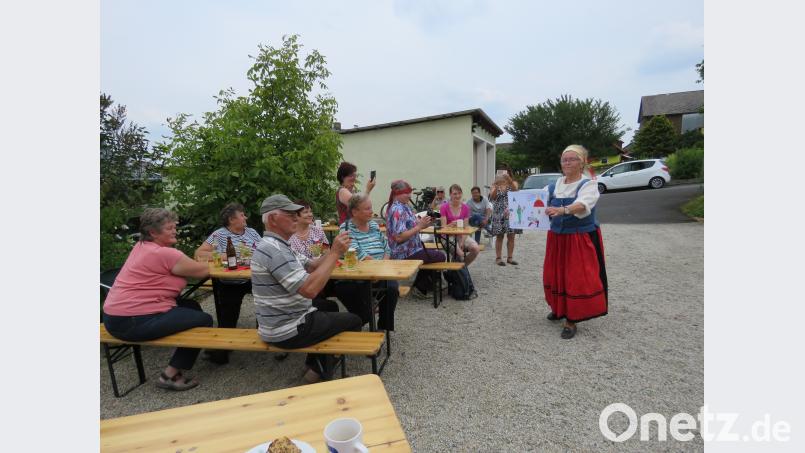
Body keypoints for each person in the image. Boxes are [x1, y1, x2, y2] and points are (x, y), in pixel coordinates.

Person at [252, 194, 363, 383]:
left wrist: (333, 251)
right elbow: (310, 290)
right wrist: (335, 253)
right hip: (287, 329)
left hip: (277, 322)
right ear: (272, 219)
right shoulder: (275, 251)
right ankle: (317, 372)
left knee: (329, 307)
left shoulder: (278, 245)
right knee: (355, 320)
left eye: (297, 213)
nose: (296, 217)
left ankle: (313, 363)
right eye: (290, 214)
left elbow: (311, 265)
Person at [103, 208, 213, 391]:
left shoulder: (141, 247)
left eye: (174, 227)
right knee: (204, 320)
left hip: (113, 318)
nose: (174, 230)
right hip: (133, 321)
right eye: (169, 228)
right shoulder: (164, 254)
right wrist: (218, 259)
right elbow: (202, 271)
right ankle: (169, 375)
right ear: (153, 232)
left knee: (191, 306)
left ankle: (192, 350)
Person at [543, 145, 608, 339]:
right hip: (556, 237)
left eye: (572, 159)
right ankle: (559, 309)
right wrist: (513, 209)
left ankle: (572, 319)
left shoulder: (588, 185)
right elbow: (534, 200)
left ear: (582, 163)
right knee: (555, 274)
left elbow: (582, 206)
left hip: (579, 237)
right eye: (565, 159)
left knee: (575, 278)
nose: (567, 162)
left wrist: (562, 210)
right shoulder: (555, 185)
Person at [194, 202, 262, 364]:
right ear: (232, 219)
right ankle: (222, 350)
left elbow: (265, 249)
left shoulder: (251, 232)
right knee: (228, 315)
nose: (245, 217)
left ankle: (266, 336)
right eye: (242, 215)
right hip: (230, 280)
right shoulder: (220, 234)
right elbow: (199, 253)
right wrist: (226, 256)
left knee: (265, 303)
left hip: (253, 278)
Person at [335, 193, 399, 331]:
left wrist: (382, 267)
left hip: (380, 270)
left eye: (371, 208)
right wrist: (377, 270)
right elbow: (358, 254)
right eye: (367, 209)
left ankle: (384, 327)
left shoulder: (374, 225)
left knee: (392, 287)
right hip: (361, 273)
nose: (371, 211)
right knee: (360, 290)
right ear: (354, 212)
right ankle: (364, 320)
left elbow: (387, 248)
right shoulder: (346, 228)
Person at [385, 179, 447, 299]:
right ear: (397, 193)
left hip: (412, 249)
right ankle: (420, 287)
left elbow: (412, 225)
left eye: (410, 192)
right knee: (440, 256)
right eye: (406, 192)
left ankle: (422, 286)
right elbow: (399, 237)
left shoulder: (404, 206)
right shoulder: (397, 209)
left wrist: (426, 223)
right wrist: (419, 226)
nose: (409, 195)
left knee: (435, 254)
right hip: (403, 252)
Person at [439, 184, 480, 265]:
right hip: (447, 236)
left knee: (476, 249)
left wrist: (462, 241)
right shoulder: (444, 207)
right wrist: (450, 225)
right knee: (460, 254)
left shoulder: (465, 208)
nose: (457, 196)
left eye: (459, 193)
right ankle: (459, 272)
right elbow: (443, 227)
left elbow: (466, 228)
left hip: (461, 235)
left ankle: (461, 268)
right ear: (450, 195)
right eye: (454, 194)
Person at [489, 172, 521, 266]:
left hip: (511, 213)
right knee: (499, 236)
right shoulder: (495, 186)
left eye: (504, 178)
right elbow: (492, 197)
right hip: (498, 214)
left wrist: (510, 181)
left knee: (511, 236)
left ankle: (510, 258)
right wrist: (495, 186)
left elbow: (516, 191)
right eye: (500, 178)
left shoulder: (512, 184)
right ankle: (498, 258)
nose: (502, 179)